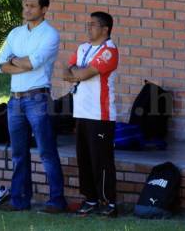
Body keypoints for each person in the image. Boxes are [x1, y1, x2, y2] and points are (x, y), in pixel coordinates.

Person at [0, 0, 67, 213]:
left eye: (33, 6)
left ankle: (56, 201)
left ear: (44, 9)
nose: (27, 10)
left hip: (37, 99)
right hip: (14, 101)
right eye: (26, 6)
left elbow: (33, 63)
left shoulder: (50, 35)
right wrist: (19, 62)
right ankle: (19, 200)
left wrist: (13, 60)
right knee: (18, 153)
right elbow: (0, 65)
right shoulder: (15, 33)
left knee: (47, 152)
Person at [63, 11, 118, 217]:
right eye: (88, 24)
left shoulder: (109, 50)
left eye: (93, 25)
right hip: (81, 113)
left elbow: (82, 73)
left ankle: (109, 202)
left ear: (105, 29)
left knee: (101, 160)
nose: (89, 28)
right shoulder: (82, 47)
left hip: (100, 115)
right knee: (84, 159)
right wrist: (78, 72)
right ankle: (91, 199)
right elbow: (65, 71)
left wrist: (77, 72)